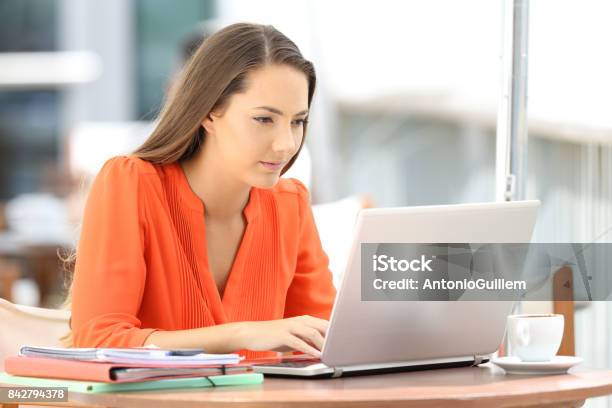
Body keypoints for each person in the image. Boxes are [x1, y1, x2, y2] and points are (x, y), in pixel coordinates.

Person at [64, 22, 337, 359]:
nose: (287, 144)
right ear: (209, 112)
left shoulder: (290, 203)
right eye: (264, 119)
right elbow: (97, 340)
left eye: (298, 121)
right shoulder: (131, 183)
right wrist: (242, 334)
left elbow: (327, 338)